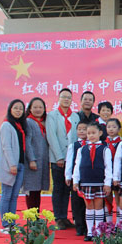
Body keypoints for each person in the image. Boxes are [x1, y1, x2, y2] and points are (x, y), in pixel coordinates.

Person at [72, 121, 112, 241]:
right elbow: (77, 166)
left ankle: (98, 231)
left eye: (94, 133)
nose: (91, 135)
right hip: (86, 182)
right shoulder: (82, 149)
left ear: (100, 133)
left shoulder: (105, 149)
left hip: (99, 182)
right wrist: (75, 180)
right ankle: (90, 231)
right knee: (89, 206)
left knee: (98, 206)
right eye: (89, 133)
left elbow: (108, 167)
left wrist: (107, 183)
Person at [46, 88, 79, 230]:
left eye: (69, 97)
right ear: (59, 98)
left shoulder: (75, 117)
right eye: (63, 97)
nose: (66, 99)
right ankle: (58, 217)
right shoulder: (52, 116)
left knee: (68, 189)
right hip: (57, 159)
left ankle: (65, 217)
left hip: (71, 160)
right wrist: (59, 156)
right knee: (58, 188)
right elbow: (51, 137)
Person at [0, 99, 27, 234]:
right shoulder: (6, 125)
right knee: (7, 195)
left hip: (20, 164)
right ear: (10, 109)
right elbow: (6, 147)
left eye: (21, 108)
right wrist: (12, 164)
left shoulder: (20, 125)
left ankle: (12, 223)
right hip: (10, 166)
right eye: (16, 108)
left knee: (14, 196)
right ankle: (5, 224)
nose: (18, 111)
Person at [22, 97, 50, 209]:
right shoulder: (28, 122)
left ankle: (36, 216)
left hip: (42, 161)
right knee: (31, 190)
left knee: (37, 190)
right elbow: (27, 142)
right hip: (33, 162)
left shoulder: (45, 122)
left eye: (40, 107)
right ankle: (32, 216)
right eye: (35, 107)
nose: (38, 109)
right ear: (30, 109)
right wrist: (31, 159)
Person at [65, 122, 88, 236]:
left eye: (84, 129)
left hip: (88, 178)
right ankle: (79, 226)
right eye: (79, 129)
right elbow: (69, 161)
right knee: (77, 203)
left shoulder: (92, 145)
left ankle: (89, 226)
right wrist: (68, 176)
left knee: (87, 203)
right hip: (76, 179)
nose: (82, 131)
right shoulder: (73, 146)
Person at [104, 118, 122, 222]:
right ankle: (108, 222)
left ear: (119, 129)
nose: (111, 129)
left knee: (119, 198)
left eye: (114, 127)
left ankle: (119, 223)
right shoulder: (103, 143)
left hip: (118, 175)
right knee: (107, 198)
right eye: (109, 127)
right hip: (106, 174)